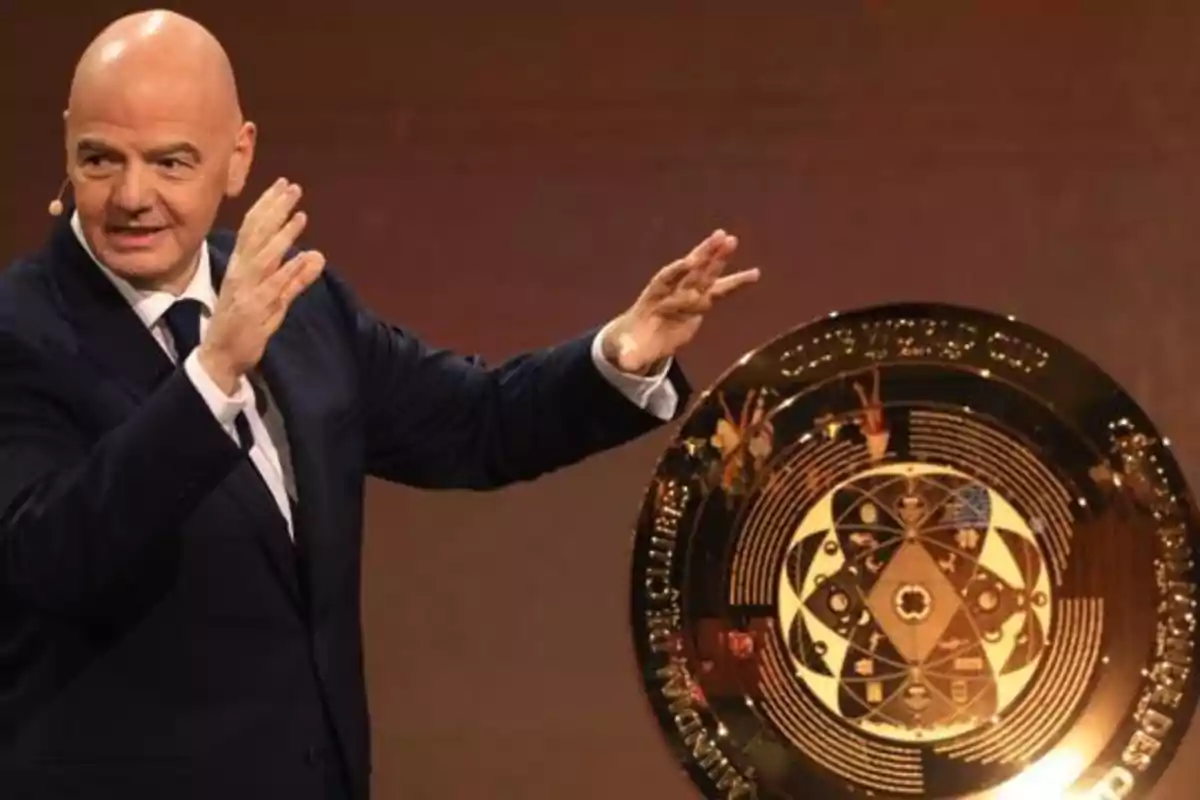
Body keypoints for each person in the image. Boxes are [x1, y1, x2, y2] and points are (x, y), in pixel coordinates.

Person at [0, 9, 759, 800]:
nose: (132, 196)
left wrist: (624, 351)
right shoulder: (19, 333)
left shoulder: (295, 300)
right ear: (66, 145)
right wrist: (214, 372)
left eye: (169, 162)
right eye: (100, 159)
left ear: (238, 157)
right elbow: (48, 561)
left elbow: (476, 425)